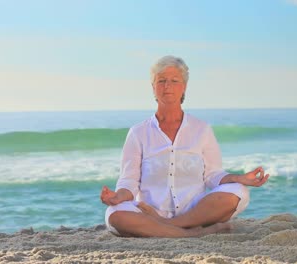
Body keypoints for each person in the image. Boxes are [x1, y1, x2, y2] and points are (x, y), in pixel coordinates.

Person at [100, 55, 269, 238]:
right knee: (114, 215)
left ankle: (168, 226)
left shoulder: (201, 129)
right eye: (161, 81)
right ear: (153, 87)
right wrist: (118, 197)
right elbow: (129, 182)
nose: (167, 86)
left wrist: (240, 178)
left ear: (184, 87)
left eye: (174, 81)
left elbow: (213, 175)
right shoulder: (138, 133)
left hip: (195, 211)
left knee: (238, 192)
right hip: (148, 211)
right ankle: (191, 234)